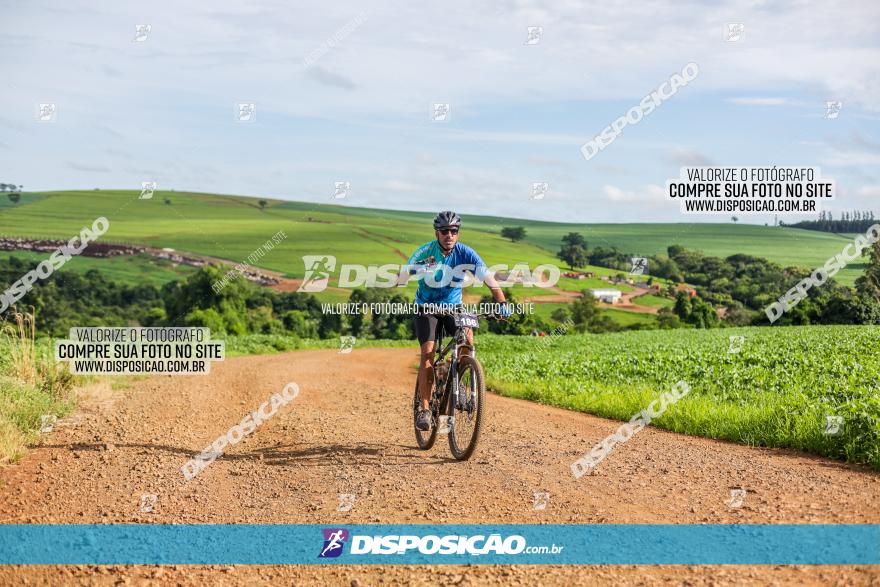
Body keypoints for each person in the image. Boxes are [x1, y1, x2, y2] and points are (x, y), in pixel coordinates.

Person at [398, 211, 510, 431]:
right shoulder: (426, 251)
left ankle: (461, 376)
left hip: (453, 307)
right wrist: (417, 268)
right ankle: (424, 408)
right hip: (426, 307)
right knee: (428, 352)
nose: (449, 235)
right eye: (444, 231)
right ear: (437, 233)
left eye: (453, 231)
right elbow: (401, 277)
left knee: (467, 339)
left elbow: (490, 280)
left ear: (457, 233)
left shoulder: (466, 253)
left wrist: (502, 303)